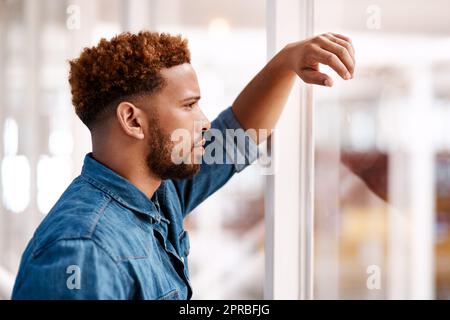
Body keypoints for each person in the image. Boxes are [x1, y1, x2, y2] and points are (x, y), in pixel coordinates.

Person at [12, 31, 355, 299]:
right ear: (132, 120)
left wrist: (286, 62)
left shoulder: (158, 191)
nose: (204, 122)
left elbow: (236, 138)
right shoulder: (84, 250)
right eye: (189, 106)